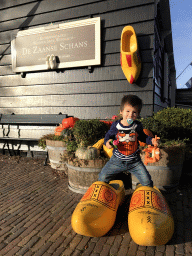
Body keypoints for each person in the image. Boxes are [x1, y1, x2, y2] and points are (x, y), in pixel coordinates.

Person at [98, 95, 159, 187]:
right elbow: (108, 136)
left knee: (147, 182)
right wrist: (108, 142)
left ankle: (145, 195)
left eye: (134, 112)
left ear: (138, 114)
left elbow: (143, 137)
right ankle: (105, 194)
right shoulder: (116, 125)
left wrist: (152, 141)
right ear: (121, 112)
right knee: (102, 178)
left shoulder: (137, 126)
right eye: (128, 111)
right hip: (116, 160)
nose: (130, 114)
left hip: (134, 162)